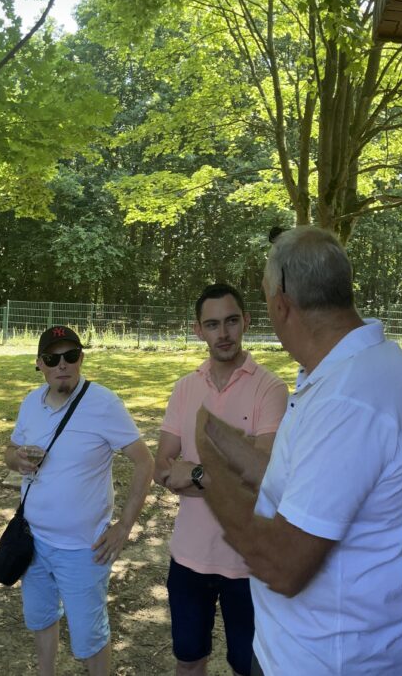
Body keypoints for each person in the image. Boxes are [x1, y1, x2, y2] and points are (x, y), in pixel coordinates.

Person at [195, 226, 402, 674]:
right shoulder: (367, 370)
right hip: (325, 648)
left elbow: (282, 565)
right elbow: (298, 480)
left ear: (282, 305)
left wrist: (206, 469)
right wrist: (217, 433)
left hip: (326, 660)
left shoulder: (348, 399)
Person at [3, 326, 151, 676]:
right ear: (40, 364)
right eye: (53, 358)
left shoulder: (103, 403)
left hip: (84, 549)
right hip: (32, 540)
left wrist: (124, 527)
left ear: (81, 358)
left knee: (89, 640)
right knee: (41, 619)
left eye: (70, 356)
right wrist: (17, 459)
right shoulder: (31, 403)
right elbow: (10, 451)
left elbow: (145, 462)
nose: (62, 365)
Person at [153, 284, 283, 676]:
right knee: (189, 660)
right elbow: (162, 467)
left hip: (248, 562)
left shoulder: (271, 389)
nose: (223, 333)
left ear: (246, 321)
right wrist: (230, 473)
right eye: (212, 324)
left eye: (231, 321)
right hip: (189, 556)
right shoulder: (185, 388)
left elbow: (261, 476)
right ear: (198, 330)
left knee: (250, 666)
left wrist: (192, 473)